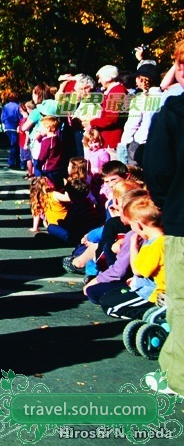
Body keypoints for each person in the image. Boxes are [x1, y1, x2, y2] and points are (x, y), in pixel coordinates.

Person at [146, 51, 184, 394]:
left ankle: (180, 378)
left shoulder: (171, 115)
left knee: (183, 301)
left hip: (182, 219)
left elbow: (157, 169)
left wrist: (165, 202)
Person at [87, 65, 127, 153]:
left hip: (112, 140)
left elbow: (111, 118)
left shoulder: (117, 91)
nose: (99, 81)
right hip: (109, 139)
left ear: (108, 78)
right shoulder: (115, 90)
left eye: (100, 78)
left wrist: (92, 122)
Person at [0, 92, 23, 170]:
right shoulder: (17, 106)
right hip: (14, 126)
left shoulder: (5, 106)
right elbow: (20, 117)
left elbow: (2, 118)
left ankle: (17, 161)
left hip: (7, 127)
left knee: (14, 145)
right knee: (15, 145)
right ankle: (12, 162)